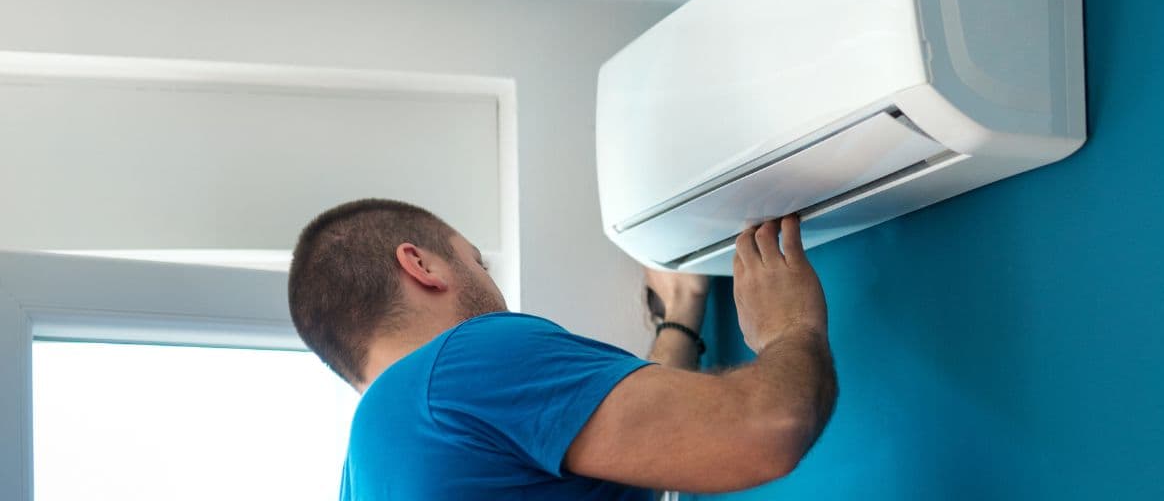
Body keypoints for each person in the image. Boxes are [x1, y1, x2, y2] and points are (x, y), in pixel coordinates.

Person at [287, 198, 837, 499]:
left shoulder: (369, 469)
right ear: (421, 264)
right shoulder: (459, 365)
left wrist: (680, 318)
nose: (488, 279)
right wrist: (790, 325)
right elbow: (768, 429)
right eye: (477, 261)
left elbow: (641, 451)